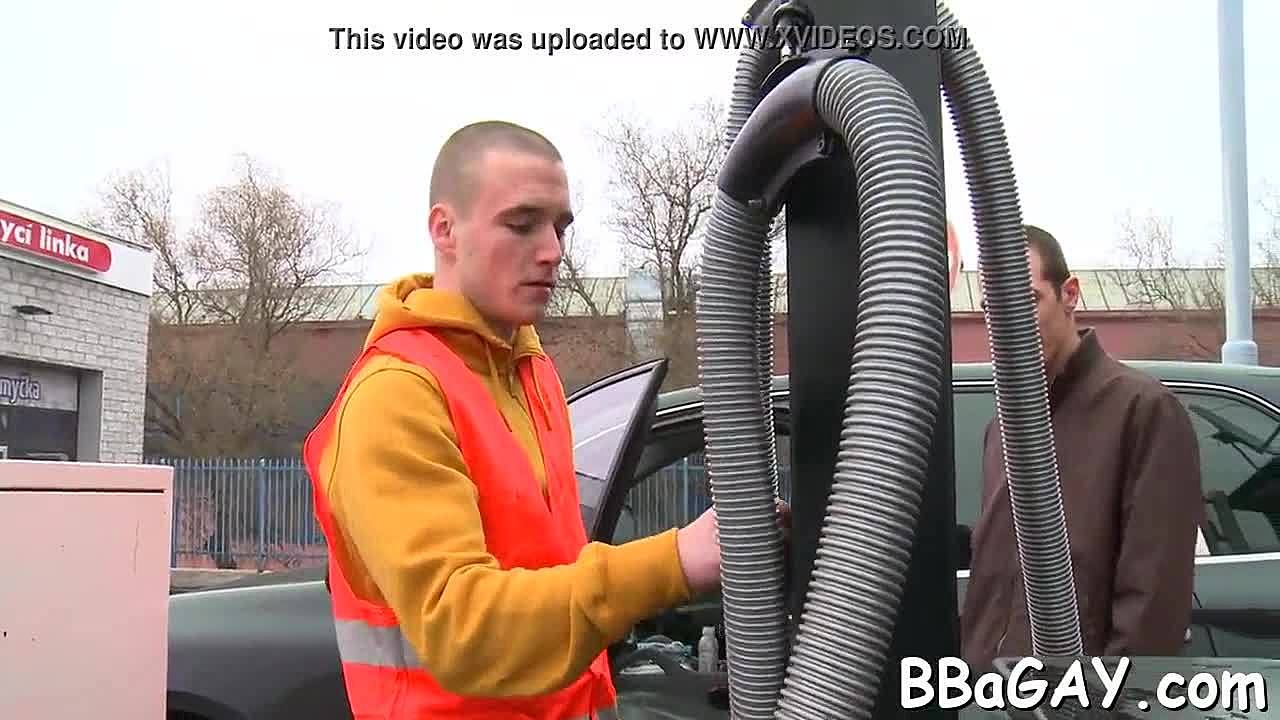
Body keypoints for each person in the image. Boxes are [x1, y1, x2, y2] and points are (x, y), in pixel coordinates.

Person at [301, 120, 730, 718]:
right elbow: (462, 628)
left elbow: (551, 570)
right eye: (522, 224)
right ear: (445, 229)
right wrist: (674, 561)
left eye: (560, 227)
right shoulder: (396, 394)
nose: (552, 250)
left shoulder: (531, 370)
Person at [960, 225, 1204, 670]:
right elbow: (993, 573)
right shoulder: (1002, 429)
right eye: (994, 309)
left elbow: (1152, 601)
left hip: (1080, 694)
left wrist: (1103, 698)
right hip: (991, 691)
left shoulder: (1143, 410)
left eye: (1027, 301)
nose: (1009, 324)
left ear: (1069, 294)